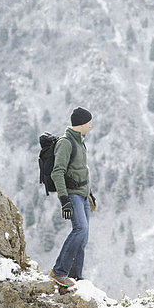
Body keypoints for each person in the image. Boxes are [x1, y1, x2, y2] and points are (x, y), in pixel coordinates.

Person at [48, 106, 97, 287]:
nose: (91, 126)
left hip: (83, 196)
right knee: (80, 230)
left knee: (83, 237)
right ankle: (59, 271)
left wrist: (90, 194)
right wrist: (64, 201)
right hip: (72, 195)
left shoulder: (80, 142)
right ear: (81, 124)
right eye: (89, 123)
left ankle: (76, 276)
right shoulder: (66, 143)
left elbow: (81, 171)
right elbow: (57, 173)